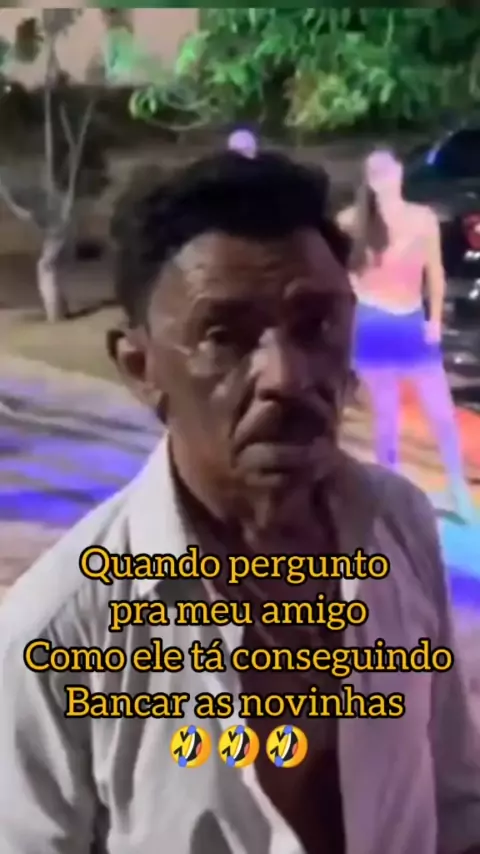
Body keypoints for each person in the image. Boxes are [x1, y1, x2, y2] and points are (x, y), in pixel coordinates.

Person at [1, 151, 480, 854]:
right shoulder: (57, 635)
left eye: (317, 324)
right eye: (223, 336)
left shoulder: (398, 526)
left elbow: (456, 808)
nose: (287, 376)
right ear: (140, 367)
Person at [338, 147, 474, 523]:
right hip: (372, 323)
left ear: (400, 172)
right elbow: (335, 271)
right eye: (376, 172)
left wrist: (435, 320)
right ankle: (391, 493)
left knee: (441, 412)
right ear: (369, 180)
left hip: (412, 322)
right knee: (386, 415)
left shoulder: (422, 218)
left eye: (389, 169)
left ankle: (458, 490)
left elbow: (436, 273)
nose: (385, 177)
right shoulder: (351, 222)